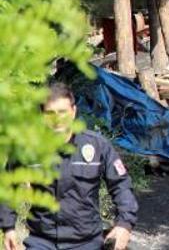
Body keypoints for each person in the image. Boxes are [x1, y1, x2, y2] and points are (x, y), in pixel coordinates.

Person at [0, 83, 138, 250]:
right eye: (50, 113)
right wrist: (8, 228)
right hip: (42, 241)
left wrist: (124, 224)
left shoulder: (96, 146)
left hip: (86, 242)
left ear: (73, 112)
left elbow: (121, 186)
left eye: (62, 112)